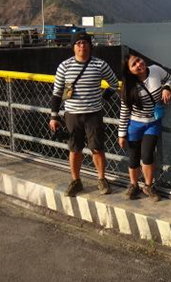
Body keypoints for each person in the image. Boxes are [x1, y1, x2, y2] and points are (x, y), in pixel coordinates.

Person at [49, 32, 119, 197]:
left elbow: (114, 84)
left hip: (94, 114)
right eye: (78, 43)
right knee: (75, 149)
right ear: (73, 46)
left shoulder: (100, 65)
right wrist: (53, 116)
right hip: (72, 114)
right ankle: (76, 181)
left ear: (90, 46)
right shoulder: (64, 66)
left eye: (85, 43)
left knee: (97, 148)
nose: (82, 46)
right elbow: (57, 93)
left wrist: (102, 99)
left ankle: (101, 179)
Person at [118, 54, 171, 202]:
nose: (139, 64)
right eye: (134, 64)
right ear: (129, 71)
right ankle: (134, 185)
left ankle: (148, 186)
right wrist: (122, 133)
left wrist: (166, 88)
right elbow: (124, 111)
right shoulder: (128, 86)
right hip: (135, 124)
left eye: (138, 60)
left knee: (148, 155)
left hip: (152, 123)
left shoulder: (155, 70)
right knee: (134, 157)